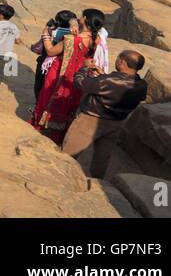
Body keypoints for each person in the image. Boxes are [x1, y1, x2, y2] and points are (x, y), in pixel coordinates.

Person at [60, 50, 148, 178]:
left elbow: (80, 82)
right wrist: (104, 76)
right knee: (101, 160)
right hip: (116, 124)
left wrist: (84, 68)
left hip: (90, 121)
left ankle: (59, 178)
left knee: (69, 154)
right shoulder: (142, 85)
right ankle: (97, 183)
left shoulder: (108, 81)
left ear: (122, 62)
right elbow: (118, 87)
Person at [31, 12, 102, 144]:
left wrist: (45, 35)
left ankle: (42, 128)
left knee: (49, 96)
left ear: (85, 19)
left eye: (81, 16)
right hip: (78, 76)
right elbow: (73, 19)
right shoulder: (96, 39)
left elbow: (51, 51)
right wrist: (74, 23)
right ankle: (60, 134)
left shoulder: (71, 39)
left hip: (59, 73)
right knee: (68, 102)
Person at [33, 10, 76, 102]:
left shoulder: (51, 31)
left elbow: (50, 51)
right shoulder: (76, 35)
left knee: (41, 87)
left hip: (47, 64)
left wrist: (45, 35)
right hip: (65, 66)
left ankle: (39, 107)